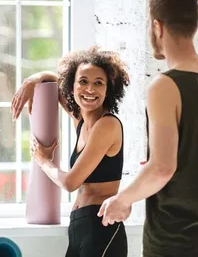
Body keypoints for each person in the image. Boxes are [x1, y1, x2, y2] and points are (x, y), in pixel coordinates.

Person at [98, 0, 198, 257]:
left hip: (176, 242)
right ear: (195, 26)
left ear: (157, 26)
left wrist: (123, 199)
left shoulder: (164, 85)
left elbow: (162, 169)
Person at [11, 46, 130, 257]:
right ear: (72, 86)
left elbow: (70, 182)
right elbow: (56, 85)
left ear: (108, 89)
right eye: (83, 81)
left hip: (101, 228)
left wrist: (44, 160)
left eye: (98, 83)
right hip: (79, 227)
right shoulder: (83, 122)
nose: (90, 90)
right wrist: (33, 79)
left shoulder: (107, 125)